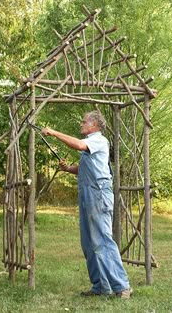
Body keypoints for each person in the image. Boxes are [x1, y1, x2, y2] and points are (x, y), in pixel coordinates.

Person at [41, 110, 132, 298]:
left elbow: (79, 145)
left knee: (103, 241)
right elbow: (85, 168)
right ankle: (100, 286)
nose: (81, 124)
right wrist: (68, 169)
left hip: (98, 195)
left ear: (95, 125)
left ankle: (122, 287)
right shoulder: (91, 143)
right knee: (89, 243)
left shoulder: (98, 140)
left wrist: (54, 132)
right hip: (87, 194)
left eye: (84, 122)